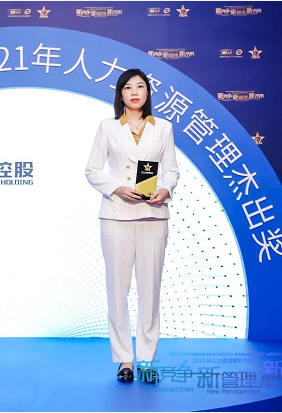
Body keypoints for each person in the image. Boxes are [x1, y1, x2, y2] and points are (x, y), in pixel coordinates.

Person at [85, 68, 179, 383]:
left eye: (140, 86)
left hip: (153, 216)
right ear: (121, 94)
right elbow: (92, 169)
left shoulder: (163, 128)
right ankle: (125, 360)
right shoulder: (108, 127)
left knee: (150, 293)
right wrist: (116, 188)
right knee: (117, 290)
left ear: (148, 92)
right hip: (116, 217)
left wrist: (165, 189)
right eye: (128, 87)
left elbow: (172, 170)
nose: (135, 92)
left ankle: (147, 361)